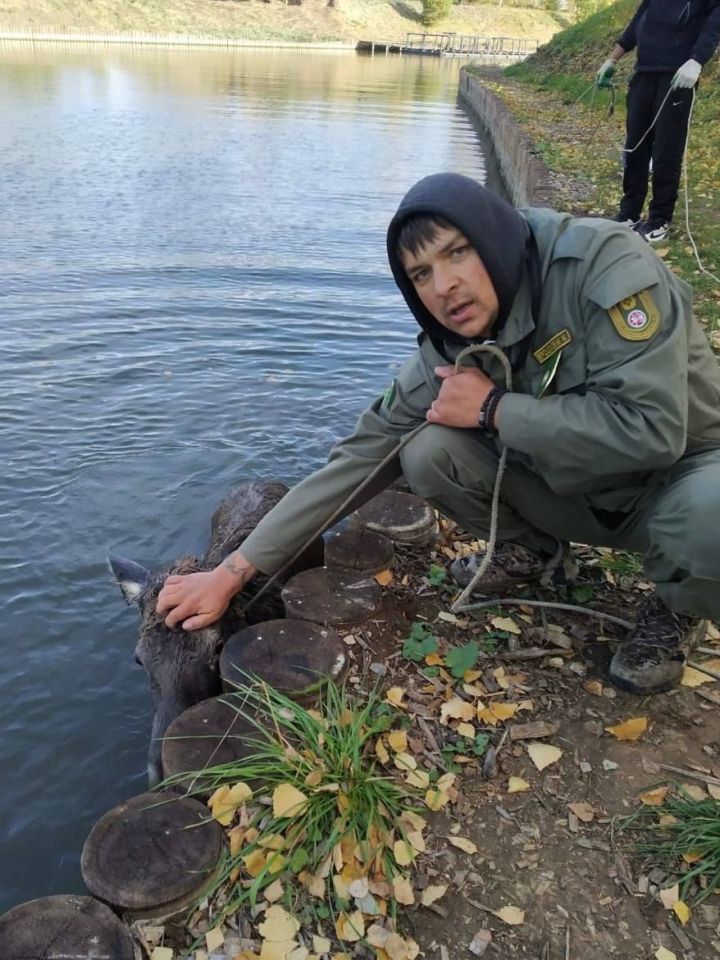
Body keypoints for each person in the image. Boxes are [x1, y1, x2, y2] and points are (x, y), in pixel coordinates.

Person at [157, 173, 720, 696]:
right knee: (427, 451)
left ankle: (678, 605)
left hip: (673, 484)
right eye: (420, 274)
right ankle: (535, 552)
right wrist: (231, 572)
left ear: (494, 239)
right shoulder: (448, 348)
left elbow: (653, 431)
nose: (444, 286)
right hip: (581, 492)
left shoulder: (603, 268)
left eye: (457, 252)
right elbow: (358, 460)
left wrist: (496, 407)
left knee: (709, 512)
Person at [597, 0, 720, 244]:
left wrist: (697, 61)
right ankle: (629, 213)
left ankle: (659, 217)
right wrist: (612, 59)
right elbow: (637, 24)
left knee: (667, 149)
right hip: (644, 72)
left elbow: (714, 27)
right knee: (634, 147)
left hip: (677, 77)